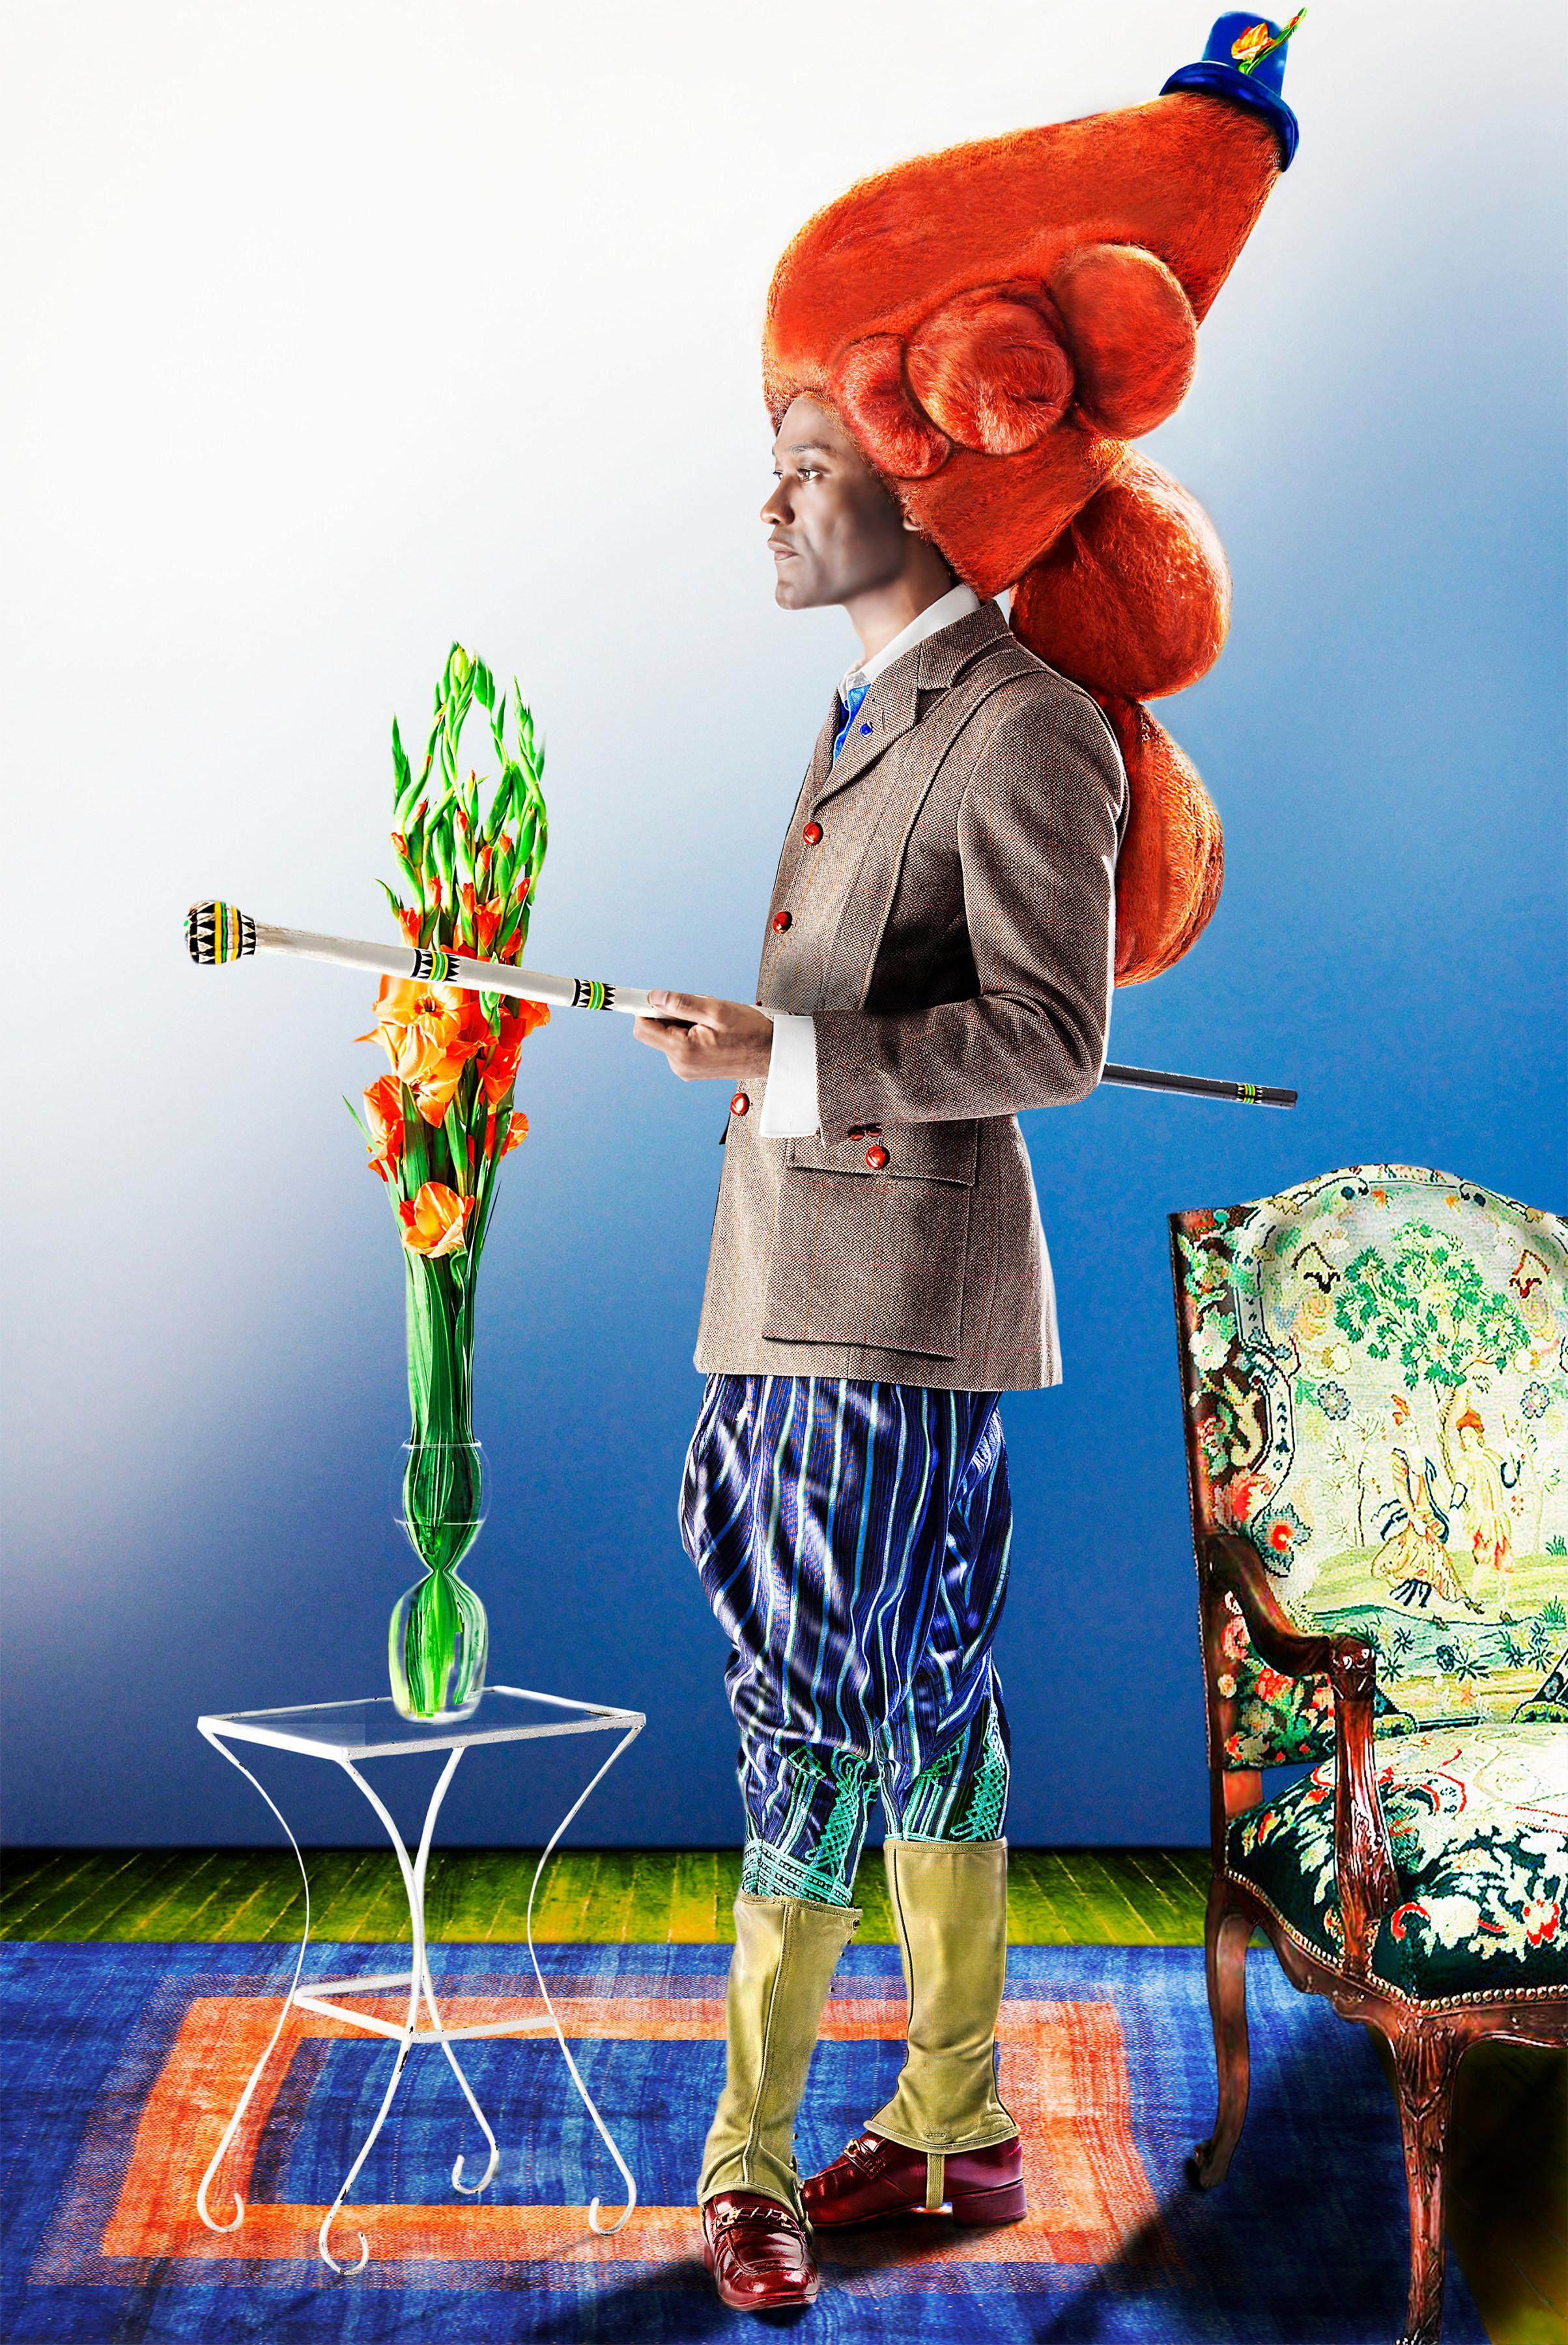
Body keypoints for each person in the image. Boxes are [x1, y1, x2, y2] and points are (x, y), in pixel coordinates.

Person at [634, 391, 1124, 2310]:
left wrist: (791, 1055)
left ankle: (751, 2158)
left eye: (808, 462)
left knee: (819, 1714)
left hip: (887, 1315)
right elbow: (859, 1003)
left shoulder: (1022, 726)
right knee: (908, 1705)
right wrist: (768, 1046)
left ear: (931, 489)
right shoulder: (864, 709)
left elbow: (1053, 1040)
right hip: (792, 1285)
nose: (768, 498)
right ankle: (959, 2122)